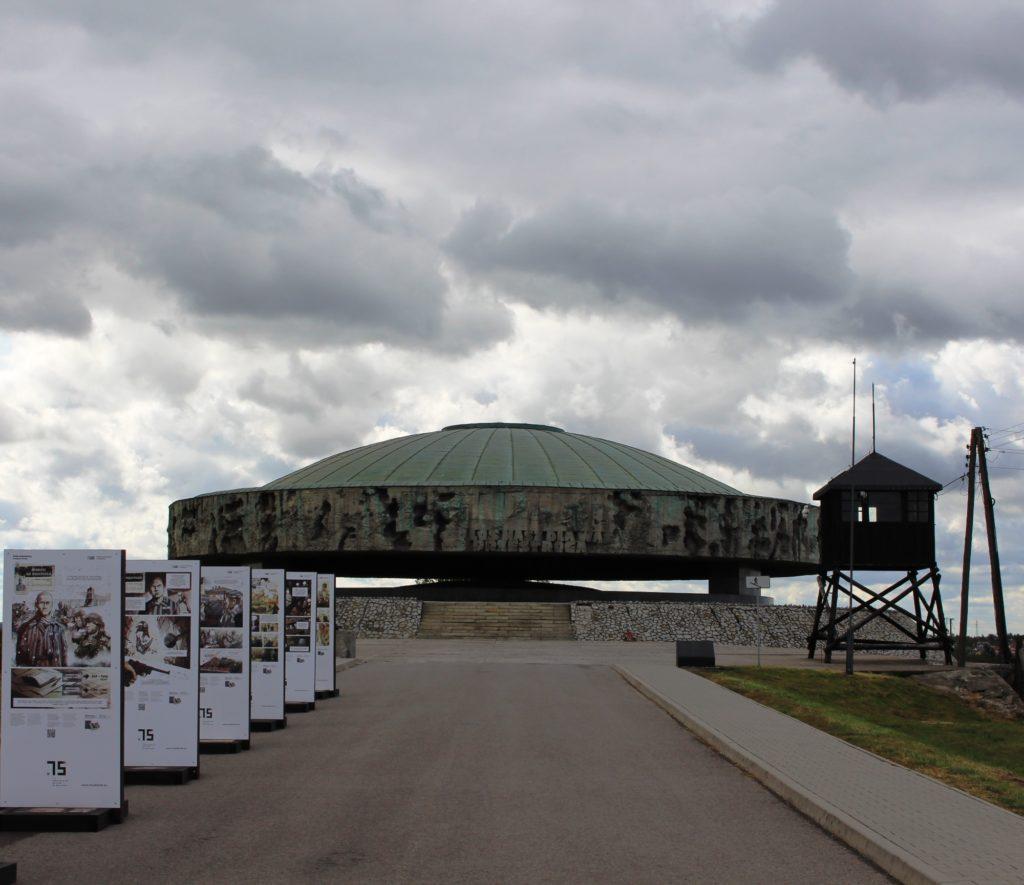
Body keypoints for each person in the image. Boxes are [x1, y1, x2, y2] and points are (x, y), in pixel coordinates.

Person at [16, 591, 69, 667]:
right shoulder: (25, 628)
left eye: (47, 603)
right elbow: (20, 659)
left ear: (51, 605)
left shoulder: (59, 629)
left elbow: (64, 656)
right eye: (42, 603)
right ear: (36, 604)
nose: (45, 606)